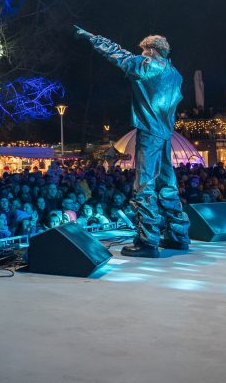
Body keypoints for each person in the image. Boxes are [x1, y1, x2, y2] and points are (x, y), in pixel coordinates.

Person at [76, 26, 190, 257]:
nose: (142, 54)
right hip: (165, 134)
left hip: (149, 132)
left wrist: (92, 37)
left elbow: (117, 54)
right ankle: (178, 236)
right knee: (167, 185)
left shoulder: (146, 66)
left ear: (152, 49)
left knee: (144, 185)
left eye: (144, 50)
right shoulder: (175, 74)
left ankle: (147, 242)